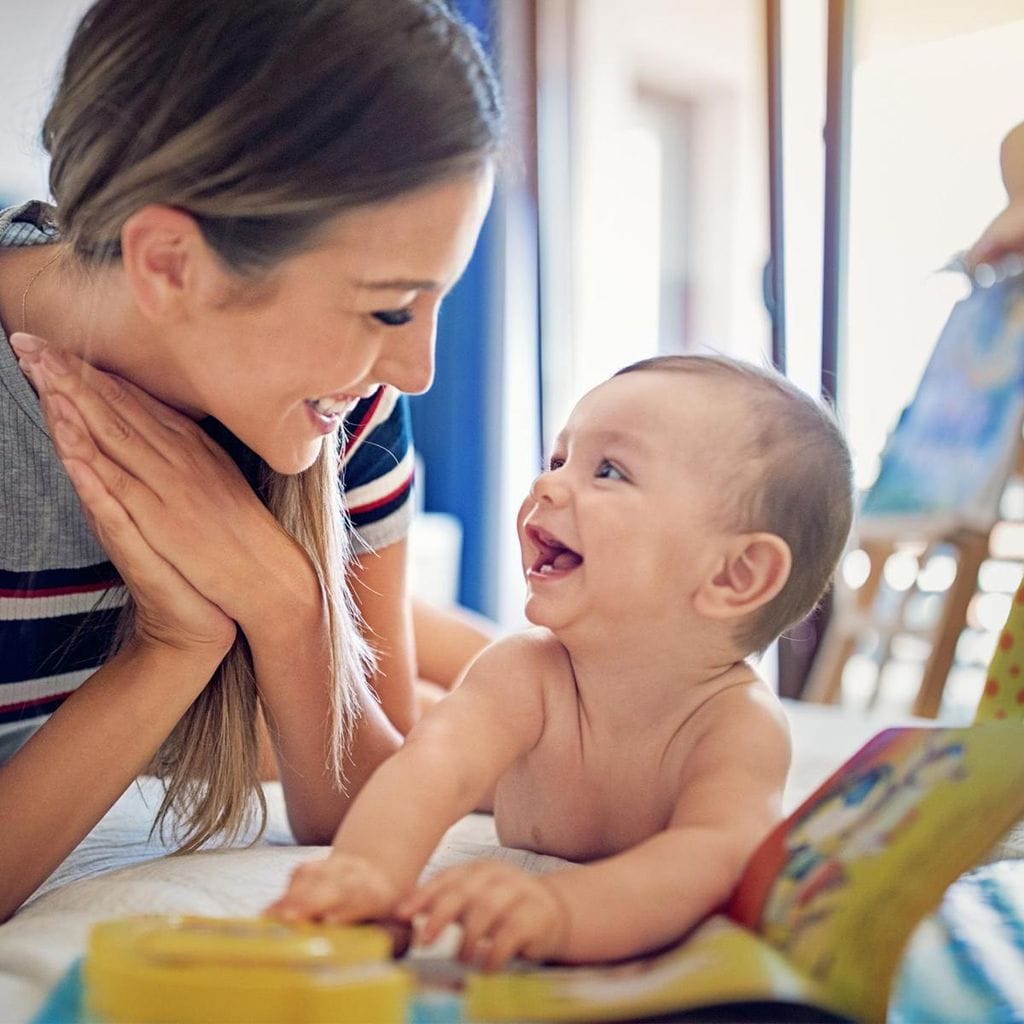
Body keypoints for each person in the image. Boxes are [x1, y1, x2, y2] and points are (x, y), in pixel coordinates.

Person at [0, 0, 502, 923]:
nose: (419, 371)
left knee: (507, 708)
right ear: (169, 263)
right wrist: (175, 645)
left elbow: (363, 801)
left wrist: (285, 603)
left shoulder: (343, 403)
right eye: (391, 307)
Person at [268, 354, 855, 968]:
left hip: (549, 809)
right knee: (427, 718)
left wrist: (563, 910)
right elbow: (434, 768)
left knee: (420, 690)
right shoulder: (525, 672)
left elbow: (718, 852)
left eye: (609, 471)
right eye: (557, 460)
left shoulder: (737, 726)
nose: (546, 485)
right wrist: (368, 872)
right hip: (502, 761)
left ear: (735, 575)